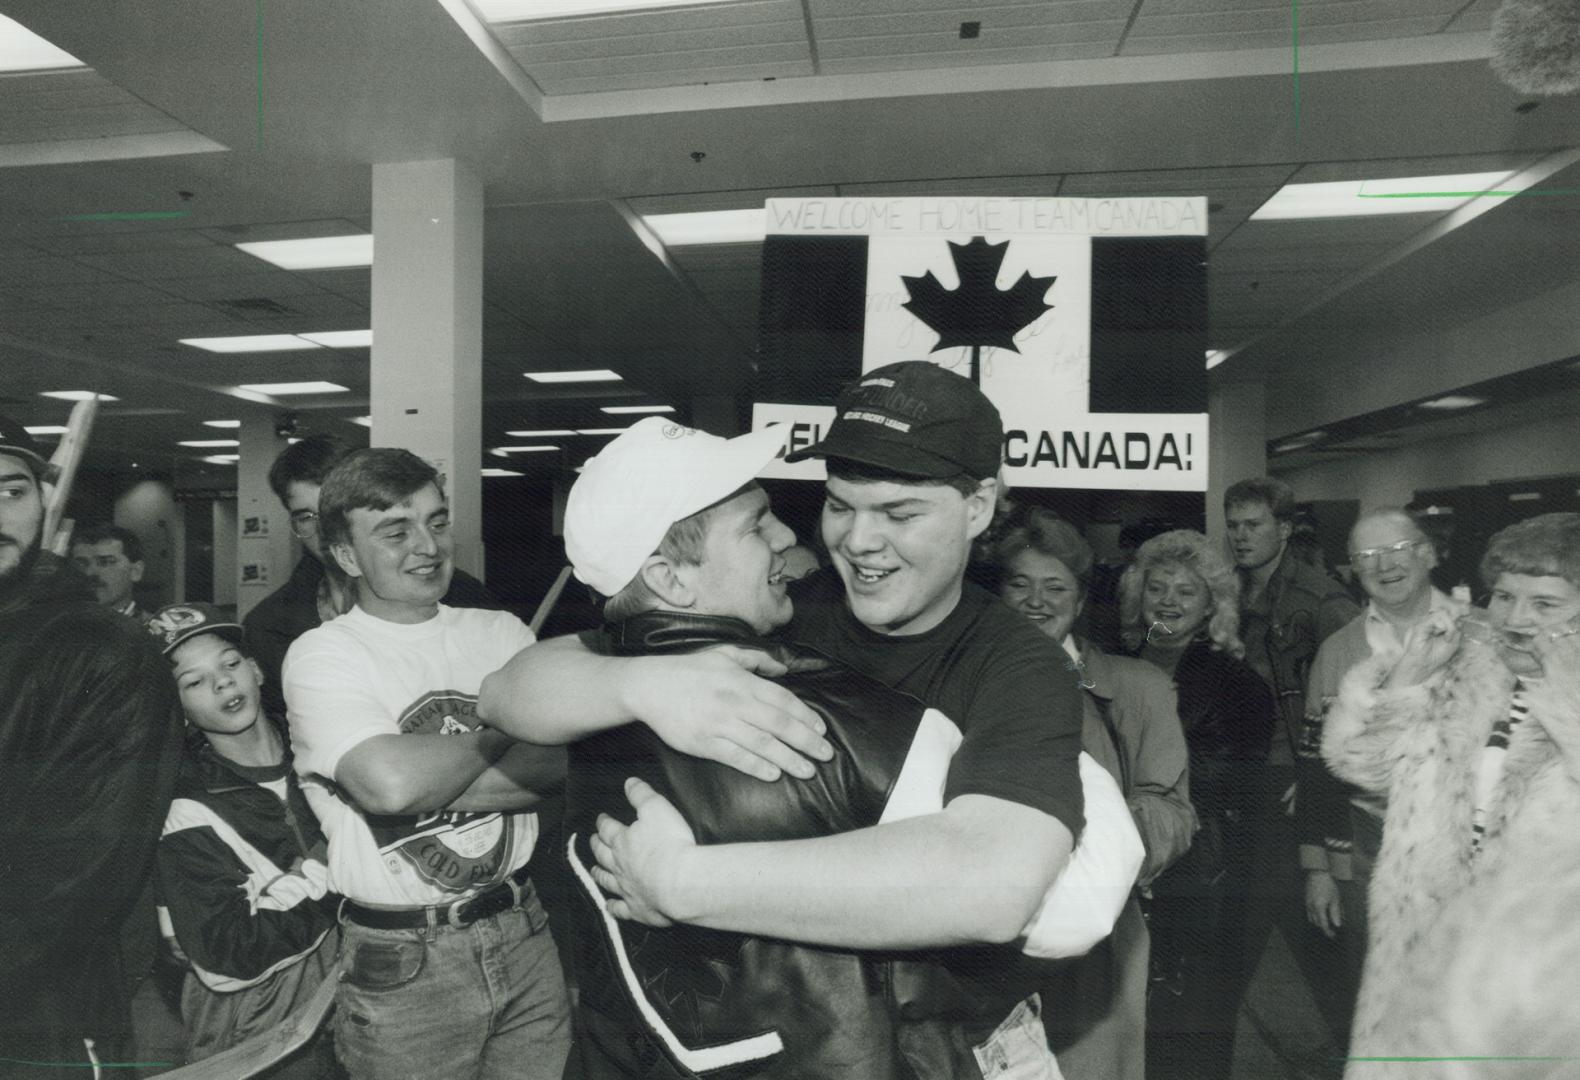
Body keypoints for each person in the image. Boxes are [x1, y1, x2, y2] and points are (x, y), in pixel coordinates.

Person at [481, 361, 1092, 1077]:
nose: (858, 542)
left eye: (898, 514)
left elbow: (994, 888)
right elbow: (506, 690)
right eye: (839, 505)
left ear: (980, 506)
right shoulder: (792, 608)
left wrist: (685, 884)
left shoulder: (1019, 667)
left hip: (951, 1039)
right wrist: (641, 685)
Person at [283, 448, 571, 1080]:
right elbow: (388, 786)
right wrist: (499, 730)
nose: (428, 546)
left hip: (525, 931)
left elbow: (553, 768)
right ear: (347, 555)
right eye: (396, 531)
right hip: (404, 961)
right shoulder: (323, 655)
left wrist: (428, 776)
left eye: (437, 522)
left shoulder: (500, 632)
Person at [1322, 512, 1580, 1075]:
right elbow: (1355, 761)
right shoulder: (1465, 669)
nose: (1515, 619)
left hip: (1541, 975)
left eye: (1544, 604)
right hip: (1421, 945)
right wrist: (1410, 677)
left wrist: (1562, 687)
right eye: (1505, 597)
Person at [0, 415, 185, 1078]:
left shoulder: (107, 652)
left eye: (11, 491)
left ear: (46, 505)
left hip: (39, 1012)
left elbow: (78, 868)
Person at [992, 505, 1195, 1080]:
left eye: (1055, 586)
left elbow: (1173, 814)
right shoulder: (960, 685)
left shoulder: (1140, 688)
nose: (1037, 600)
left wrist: (1079, 844)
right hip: (979, 932)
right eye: (1020, 584)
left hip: (1098, 935)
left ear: (1080, 601)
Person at [147, 602, 339, 1078]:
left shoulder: (324, 746)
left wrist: (299, 881)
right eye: (193, 682)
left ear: (255, 669)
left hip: (357, 988)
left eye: (230, 664)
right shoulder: (184, 805)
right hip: (259, 1022)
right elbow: (227, 954)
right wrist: (337, 866)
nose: (221, 684)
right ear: (178, 709)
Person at [1295, 508, 1459, 1049]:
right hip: (1362, 860)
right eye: (1367, 558)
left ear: (1428, 553)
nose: (1384, 566)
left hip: (1466, 859)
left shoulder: (1482, 635)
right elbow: (1314, 767)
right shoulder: (1338, 650)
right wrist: (1318, 867)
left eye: (1397, 550)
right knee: (1374, 1007)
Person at [1118, 528, 1276, 1080]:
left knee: (1189, 1031)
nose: (1168, 602)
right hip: (1122, 866)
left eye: (1186, 592)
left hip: (1199, 879)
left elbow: (1226, 786)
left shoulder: (1238, 683)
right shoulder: (1111, 662)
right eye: (1157, 587)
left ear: (1213, 604)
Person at [245, 434, 498, 718]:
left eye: (335, 512)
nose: (326, 529)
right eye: (307, 517)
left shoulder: (461, 594)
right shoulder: (268, 626)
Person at [72, 522, 152, 623]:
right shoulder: (58, 632)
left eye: (105, 562)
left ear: (135, 571)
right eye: (82, 564)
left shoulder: (156, 634)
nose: (90, 573)